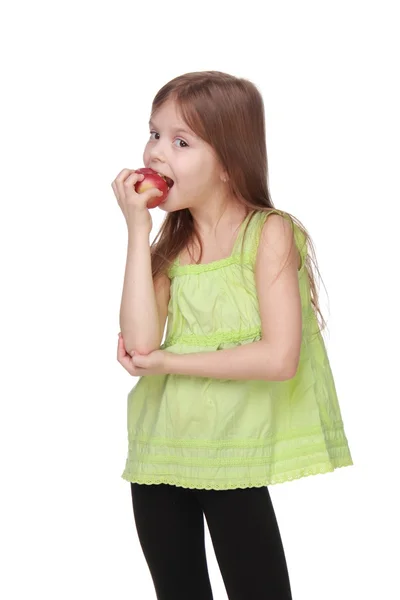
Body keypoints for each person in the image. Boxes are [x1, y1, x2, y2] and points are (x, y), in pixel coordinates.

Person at [111, 71, 353, 600]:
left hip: (233, 457)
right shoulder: (168, 248)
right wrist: (136, 232)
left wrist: (170, 364)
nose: (155, 154)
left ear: (225, 161)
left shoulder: (269, 233)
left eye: (180, 141)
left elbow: (279, 358)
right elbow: (140, 345)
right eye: (153, 134)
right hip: (161, 449)